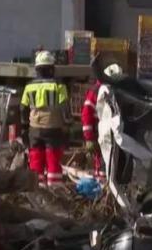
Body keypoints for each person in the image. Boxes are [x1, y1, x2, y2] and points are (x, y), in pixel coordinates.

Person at [20, 51, 71, 187]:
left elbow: (23, 108)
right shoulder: (59, 86)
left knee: (36, 160)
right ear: (51, 68)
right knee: (53, 161)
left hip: (34, 130)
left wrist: (25, 127)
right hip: (53, 129)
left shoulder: (29, 86)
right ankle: (55, 190)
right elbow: (65, 109)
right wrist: (68, 127)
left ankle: (37, 191)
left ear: (37, 69)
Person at [81, 63, 123, 183]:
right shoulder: (97, 91)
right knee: (102, 160)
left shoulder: (117, 90)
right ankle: (103, 187)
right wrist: (89, 137)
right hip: (101, 132)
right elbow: (87, 113)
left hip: (114, 132)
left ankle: (107, 186)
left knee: (111, 162)